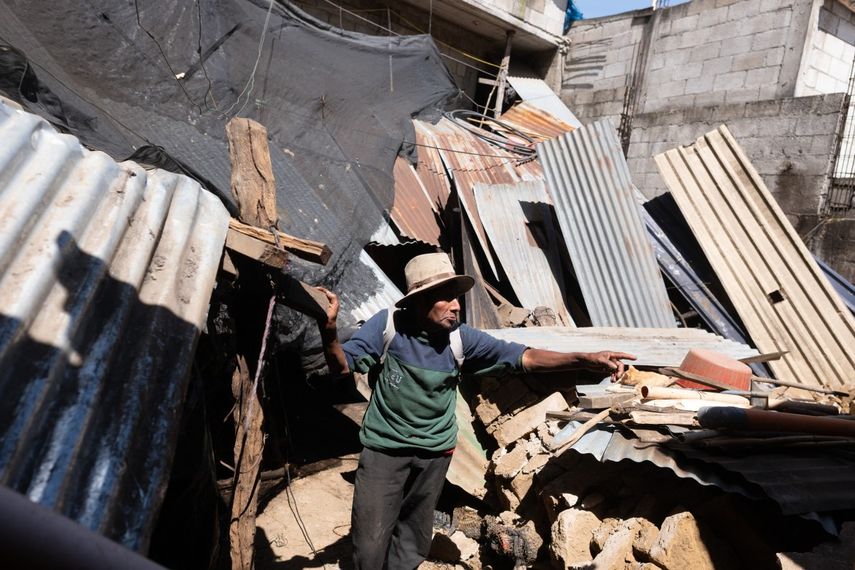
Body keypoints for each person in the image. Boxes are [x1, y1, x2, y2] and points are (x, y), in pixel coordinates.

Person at [316, 252, 635, 569]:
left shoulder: (461, 339)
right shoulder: (388, 326)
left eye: (456, 297)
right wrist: (329, 332)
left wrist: (584, 358)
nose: (456, 305)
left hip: (434, 452)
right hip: (385, 448)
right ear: (419, 300)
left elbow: (525, 357)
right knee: (370, 543)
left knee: (413, 537)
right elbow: (342, 367)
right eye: (445, 297)